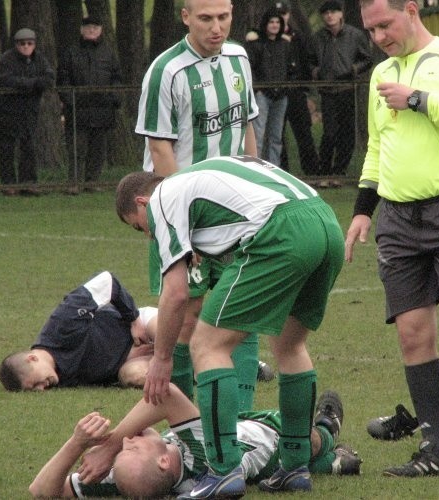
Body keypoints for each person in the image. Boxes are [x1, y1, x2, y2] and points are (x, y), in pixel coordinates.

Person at [115, 154, 345, 497]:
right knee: (289, 345)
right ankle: (294, 466)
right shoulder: (202, 176)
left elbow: (176, 295)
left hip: (283, 232)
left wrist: (161, 358)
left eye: (139, 226)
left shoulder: (162, 200)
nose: (148, 236)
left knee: (207, 345)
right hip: (325, 222)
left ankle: (223, 470)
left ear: (142, 202)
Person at [346, 0, 439, 477]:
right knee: (413, 336)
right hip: (397, 219)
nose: (379, 38)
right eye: (370, 30)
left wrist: (418, 99)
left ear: (411, 10)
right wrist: (363, 211)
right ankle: (435, 453)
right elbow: (377, 144)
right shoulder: (380, 73)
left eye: (384, 25)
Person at [135, 0, 261, 410]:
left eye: (223, 17)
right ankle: (190, 416)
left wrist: (256, 188)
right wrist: (181, 222)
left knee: (241, 307)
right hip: (188, 214)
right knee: (186, 316)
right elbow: (159, 146)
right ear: (185, 16)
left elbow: (245, 129)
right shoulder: (166, 71)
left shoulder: (239, 57)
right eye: (206, 18)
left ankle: (240, 417)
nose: (217, 27)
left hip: (235, 212)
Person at [29, 384, 361, 498]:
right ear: (163, 461)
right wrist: (111, 445)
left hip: (232, 425)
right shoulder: (200, 460)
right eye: (132, 447)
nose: (128, 442)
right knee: (309, 440)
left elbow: (40, 491)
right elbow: (164, 395)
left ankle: (332, 463)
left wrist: (76, 444)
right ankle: (329, 431)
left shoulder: (132, 479)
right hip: (270, 438)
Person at [0, 271, 156, 391]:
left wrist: (134, 319)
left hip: (142, 327)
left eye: (34, 384)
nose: (41, 389)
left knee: (172, 336)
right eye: (33, 390)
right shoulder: (58, 380)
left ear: (31, 359)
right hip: (132, 361)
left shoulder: (61, 325)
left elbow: (107, 281)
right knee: (135, 376)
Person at [57, 16, 122, 192]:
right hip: (78, 110)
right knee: (77, 148)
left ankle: (92, 183)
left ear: (101, 30)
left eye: (95, 27)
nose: (91, 30)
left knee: (98, 150)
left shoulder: (108, 53)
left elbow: (117, 78)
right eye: (88, 27)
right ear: (81, 30)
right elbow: (63, 80)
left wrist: (114, 98)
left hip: (102, 109)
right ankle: (74, 183)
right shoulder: (71, 52)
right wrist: (70, 101)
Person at [309, 1, 372, 180]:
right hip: (327, 90)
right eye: (326, 13)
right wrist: (317, 72)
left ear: (340, 14)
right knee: (329, 133)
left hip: (347, 89)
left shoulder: (355, 35)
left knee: (347, 134)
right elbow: (310, 61)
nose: (330, 15)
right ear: (323, 16)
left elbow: (367, 59)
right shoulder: (318, 37)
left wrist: (353, 69)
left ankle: (339, 172)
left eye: (333, 12)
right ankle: (325, 172)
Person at [0, 28, 54, 196]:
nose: (26, 47)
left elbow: (49, 78)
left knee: (28, 147)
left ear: (35, 44)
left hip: (29, 112)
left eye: (30, 43)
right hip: (7, 112)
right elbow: (5, 80)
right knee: (7, 148)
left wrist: (29, 84)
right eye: (22, 44)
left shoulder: (40, 59)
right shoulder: (7, 59)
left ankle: (28, 183)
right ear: (16, 45)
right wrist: (32, 84)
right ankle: (9, 184)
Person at [275, 1, 320, 175]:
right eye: (278, 14)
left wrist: (306, 90)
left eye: (284, 13)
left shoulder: (298, 37)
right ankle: (282, 171)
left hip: (296, 91)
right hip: (277, 93)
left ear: (289, 14)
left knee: (304, 133)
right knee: (278, 135)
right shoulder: (268, 36)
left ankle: (312, 172)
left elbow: (306, 62)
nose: (281, 17)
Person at [245, 7, 293, 166]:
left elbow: (292, 69)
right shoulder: (256, 44)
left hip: (281, 97)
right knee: (258, 136)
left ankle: (274, 169)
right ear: (265, 24)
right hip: (262, 96)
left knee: (276, 137)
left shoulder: (285, 45)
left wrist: (286, 88)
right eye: (271, 22)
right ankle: (255, 169)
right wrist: (258, 88)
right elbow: (250, 68)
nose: (274, 25)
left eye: (277, 22)